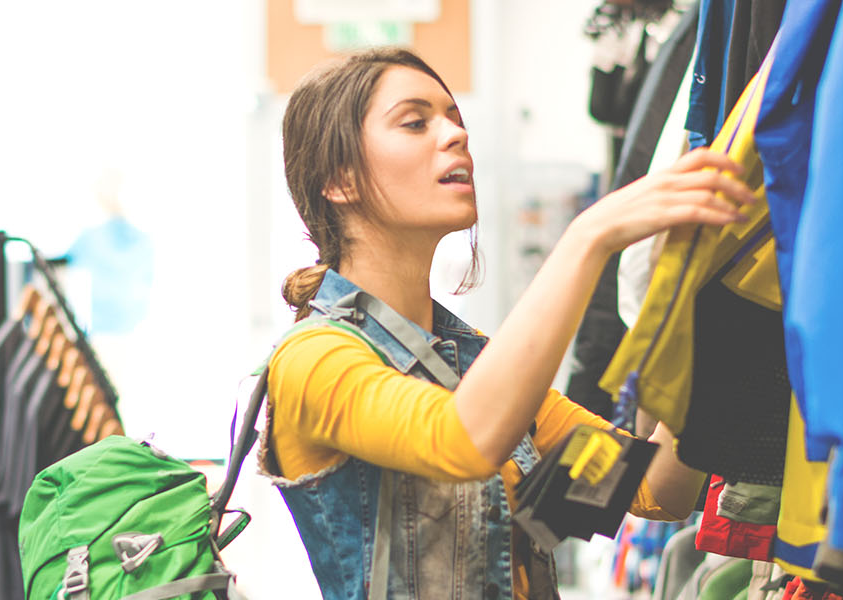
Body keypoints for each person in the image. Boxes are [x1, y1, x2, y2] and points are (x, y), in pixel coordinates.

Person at [263, 47, 754, 600]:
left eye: (454, 117)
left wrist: (694, 307)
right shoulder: (312, 361)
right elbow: (461, 440)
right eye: (416, 122)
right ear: (339, 180)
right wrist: (588, 238)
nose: (454, 134)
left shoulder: (471, 361)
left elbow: (658, 488)